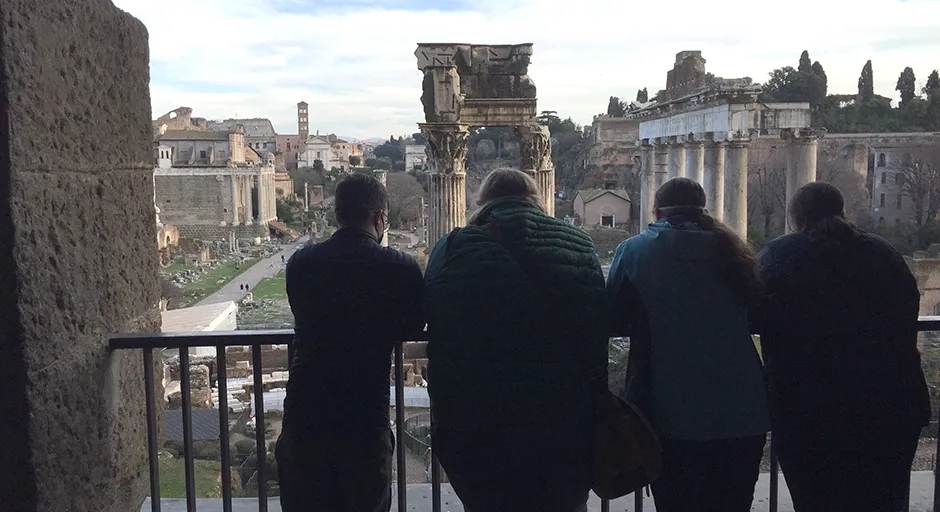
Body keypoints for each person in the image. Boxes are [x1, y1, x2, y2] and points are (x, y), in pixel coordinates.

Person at [424, 169, 608, 512]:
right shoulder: (580, 243)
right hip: (563, 417)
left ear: (484, 203)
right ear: (536, 199)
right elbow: (598, 321)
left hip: (477, 417)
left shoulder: (453, 245)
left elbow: (428, 306)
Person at [756, 182, 930, 512]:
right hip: (889, 404)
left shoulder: (777, 255)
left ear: (796, 218)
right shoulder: (882, 252)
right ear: (843, 212)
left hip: (807, 407)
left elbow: (756, 315)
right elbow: (907, 310)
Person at [607, 177, 769, 512]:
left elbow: (611, 314)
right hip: (742, 409)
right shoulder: (735, 251)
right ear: (703, 208)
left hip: (669, 411)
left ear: (656, 210)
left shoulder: (635, 251)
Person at [276, 173, 424, 512]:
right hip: (363, 418)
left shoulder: (302, 264)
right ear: (380, 219)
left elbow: (302, 313)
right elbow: (414, 324)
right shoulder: (399, 268)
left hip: (304, 413)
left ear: (337, 216)